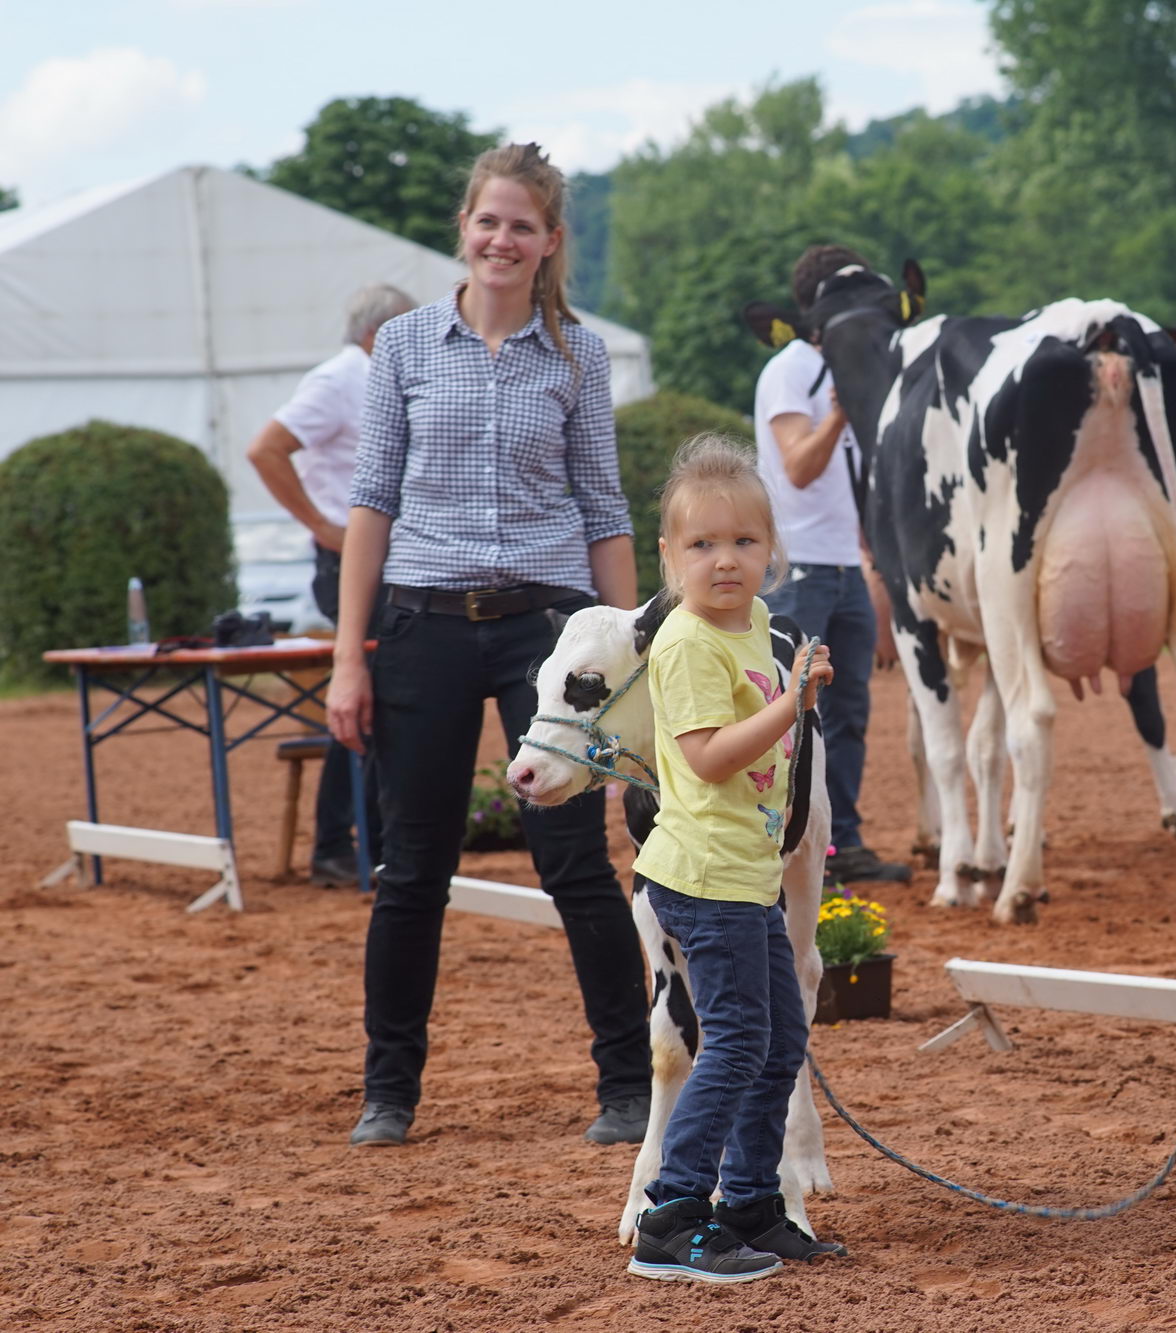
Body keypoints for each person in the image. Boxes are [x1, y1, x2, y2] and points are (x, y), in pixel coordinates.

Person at [327, 144, 650, 1150]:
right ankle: (390, 1091)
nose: (502, 240)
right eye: (487, 221)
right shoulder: (408, 348)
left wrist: (635, 660)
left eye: (522, 225)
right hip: (422, 622)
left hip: (546, 629)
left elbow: (602, 507)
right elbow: (371, 503)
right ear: (462, 229)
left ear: (550, 242)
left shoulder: (578, 354)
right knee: (412, 867)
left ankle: (628, 1085)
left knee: (574, 862)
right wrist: (349, 656)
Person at [624, 435, 845, 1283]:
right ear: (669, 557)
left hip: (746, 876)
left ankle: (750, 1202)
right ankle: (673, 1213)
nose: (726, 561)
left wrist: (797, 682)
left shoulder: (754, 623)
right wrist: (793, 704)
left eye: (744, 543)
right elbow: (712, 755)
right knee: (738, 1040)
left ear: (772, 550)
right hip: (700, 879)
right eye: (702, 545)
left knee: (779, 1035)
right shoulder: (683, 643)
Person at [246, 282, 414, 887]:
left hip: (385, 562)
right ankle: (337, 843)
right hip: (349, 563)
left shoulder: (376, 379)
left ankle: (366, 839)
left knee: (385, 704)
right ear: (379, 334)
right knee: (367, 702)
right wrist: (321, 525)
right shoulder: (340, 378)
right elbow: (266, 449)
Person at [753, 244, 909, 885]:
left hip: (842, 565)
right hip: (799, 571)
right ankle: (784, 846)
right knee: (789, 713)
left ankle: (839, 844)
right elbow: (798, 464)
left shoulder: (839, 363)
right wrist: (844, 407)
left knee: (849, 716)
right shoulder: (791, 369)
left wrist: (874, 561)